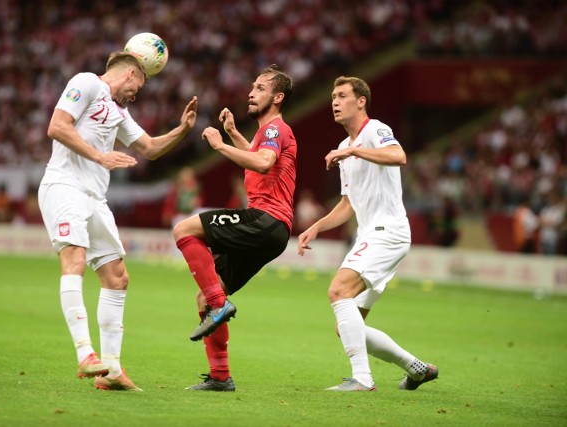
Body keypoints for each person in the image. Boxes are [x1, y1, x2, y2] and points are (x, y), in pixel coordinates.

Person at [38, 51, 198, 391]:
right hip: (64, 186)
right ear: (128, 74)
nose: (137, 93)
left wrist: (182, 130)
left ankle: (111, 371)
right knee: (75, 260)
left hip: (95, 199)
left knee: (117, 277)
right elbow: (57, 126)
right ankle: (85, 352)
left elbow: (151, 148)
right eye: (138, 84)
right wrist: (99, 155)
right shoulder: (86, 83)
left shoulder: (118, 111)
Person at [298, 76, 437, 392]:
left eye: (343, 95)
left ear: (361, 101)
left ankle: (362, 378)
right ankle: (417, 369)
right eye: (333, 95)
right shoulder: (345, 147)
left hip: (387, 232)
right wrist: (316, 227)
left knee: (338, 291)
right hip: (371, 235)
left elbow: (399, 156)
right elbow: (348, 204)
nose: (335, 101)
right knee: (347, 325)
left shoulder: (375, 130)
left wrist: (356, 153)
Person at [172, 65, 296, 392]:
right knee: (205, 299)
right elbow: (257, 156)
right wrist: (233, 134)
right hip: (273, 231)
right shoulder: (265, 135)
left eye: (260, 88)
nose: (251, 93)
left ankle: (220, 303)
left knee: (184, 230)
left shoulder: (275, 130)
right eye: (252, 87)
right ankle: (220, 377)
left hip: (265, 220)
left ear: (277, 97)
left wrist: (219, 145)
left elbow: (263, 162)